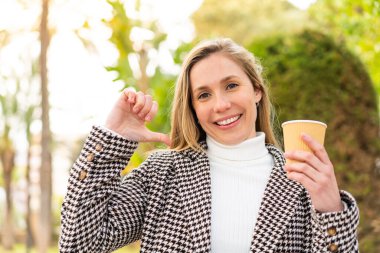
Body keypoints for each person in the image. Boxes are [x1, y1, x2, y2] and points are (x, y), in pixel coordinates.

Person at [59, 38, 359, 253]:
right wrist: (113, 138)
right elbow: (79, 244)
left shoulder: (302, 182)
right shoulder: (163, 174)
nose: (221, 105)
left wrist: (330, 208)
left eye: (231, 86)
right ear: (192, 108)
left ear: (256, 90)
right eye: (203, 95)